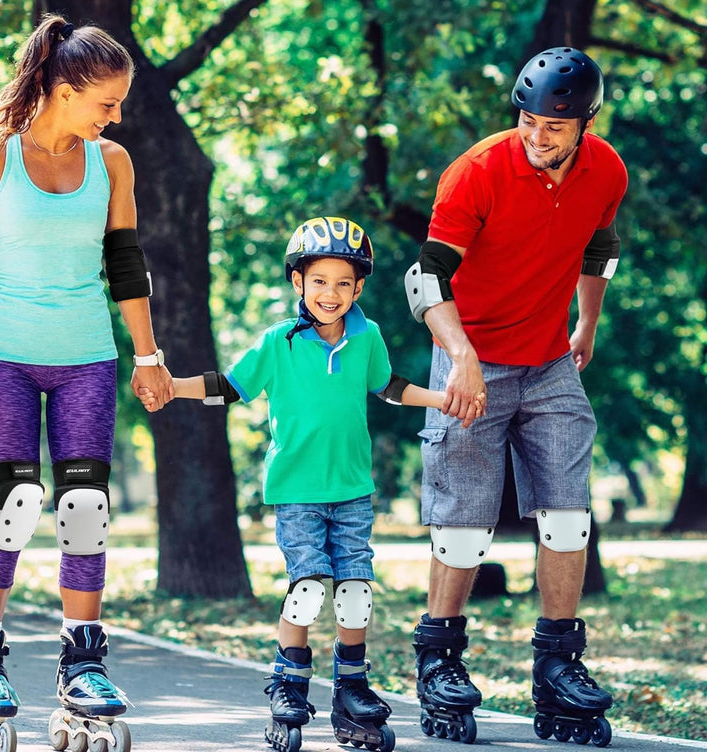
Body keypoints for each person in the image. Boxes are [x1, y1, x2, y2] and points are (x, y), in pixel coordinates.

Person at [0, 14, 172, 752]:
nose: (116, 115)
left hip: (86, 358)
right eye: (107, 102)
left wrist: (147, 355)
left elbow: (127, 264)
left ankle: (83, 660)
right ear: (65, 90)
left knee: (84, 508)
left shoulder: (113, 164)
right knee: (15, 504)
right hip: (5, 352)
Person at [164, 216, 477, 752]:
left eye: (342, 283)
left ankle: (352, 689)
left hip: (352, 490)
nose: (330, 293)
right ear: (297, 283)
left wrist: (442, 396)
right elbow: (231, 386)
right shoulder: (278, 342)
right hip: (296, 493)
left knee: (355, 594)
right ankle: (289, 684)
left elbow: (390, 387)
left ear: (358, 288)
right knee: (309, 591)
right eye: (318, 281)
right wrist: (173, 388)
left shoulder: (368, 336)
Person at [404, 47, 627, 746]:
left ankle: (558, 664)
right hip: (470, 356)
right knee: (466, 522)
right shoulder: (476, 172)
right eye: (528, 121)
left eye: (554, 127)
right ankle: (440, 659)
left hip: (549, 359)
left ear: (586, 122)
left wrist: (587, 320)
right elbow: (425, 280)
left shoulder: (607, 170)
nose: (537, 136)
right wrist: (461, 356)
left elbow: (600, 246)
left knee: (568, 517)